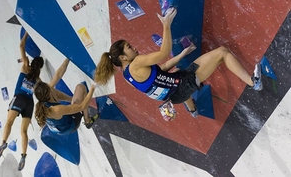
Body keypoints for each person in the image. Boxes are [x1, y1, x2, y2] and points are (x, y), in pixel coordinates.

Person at [94, 7, 262, 118]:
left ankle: (192, 110)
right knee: (222, 52)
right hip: (184, 84)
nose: (134, 48)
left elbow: (161, 70)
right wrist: (166, 25)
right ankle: (253, 82)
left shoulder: (127, 76)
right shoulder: (136, 63)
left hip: (174, 97)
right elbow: (164, 53)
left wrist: (182, 54)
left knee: (175, 74)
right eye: (129, 47)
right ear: (123, 57)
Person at [0, 32, 44, 171]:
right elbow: (47, 90)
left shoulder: (25, 67)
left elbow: (21, 45)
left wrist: (26, 33)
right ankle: (23, 155)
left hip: (19, 99)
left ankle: (3, 143)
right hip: (29, 103)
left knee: (9, 122)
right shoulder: (38, 80)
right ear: (40, 68)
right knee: (23, 132)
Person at [34, 58, 99, 135]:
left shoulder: (43, 98)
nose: (49, 86)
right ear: (47, 92)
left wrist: (68, 58)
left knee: (54, 90)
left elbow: (58, 75)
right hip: (70, 125)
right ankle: (87, 121)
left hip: (59, 124)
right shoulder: (56, 110)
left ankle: (72, 99)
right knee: (81, 87)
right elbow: (82, 106)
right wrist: (94, 85)